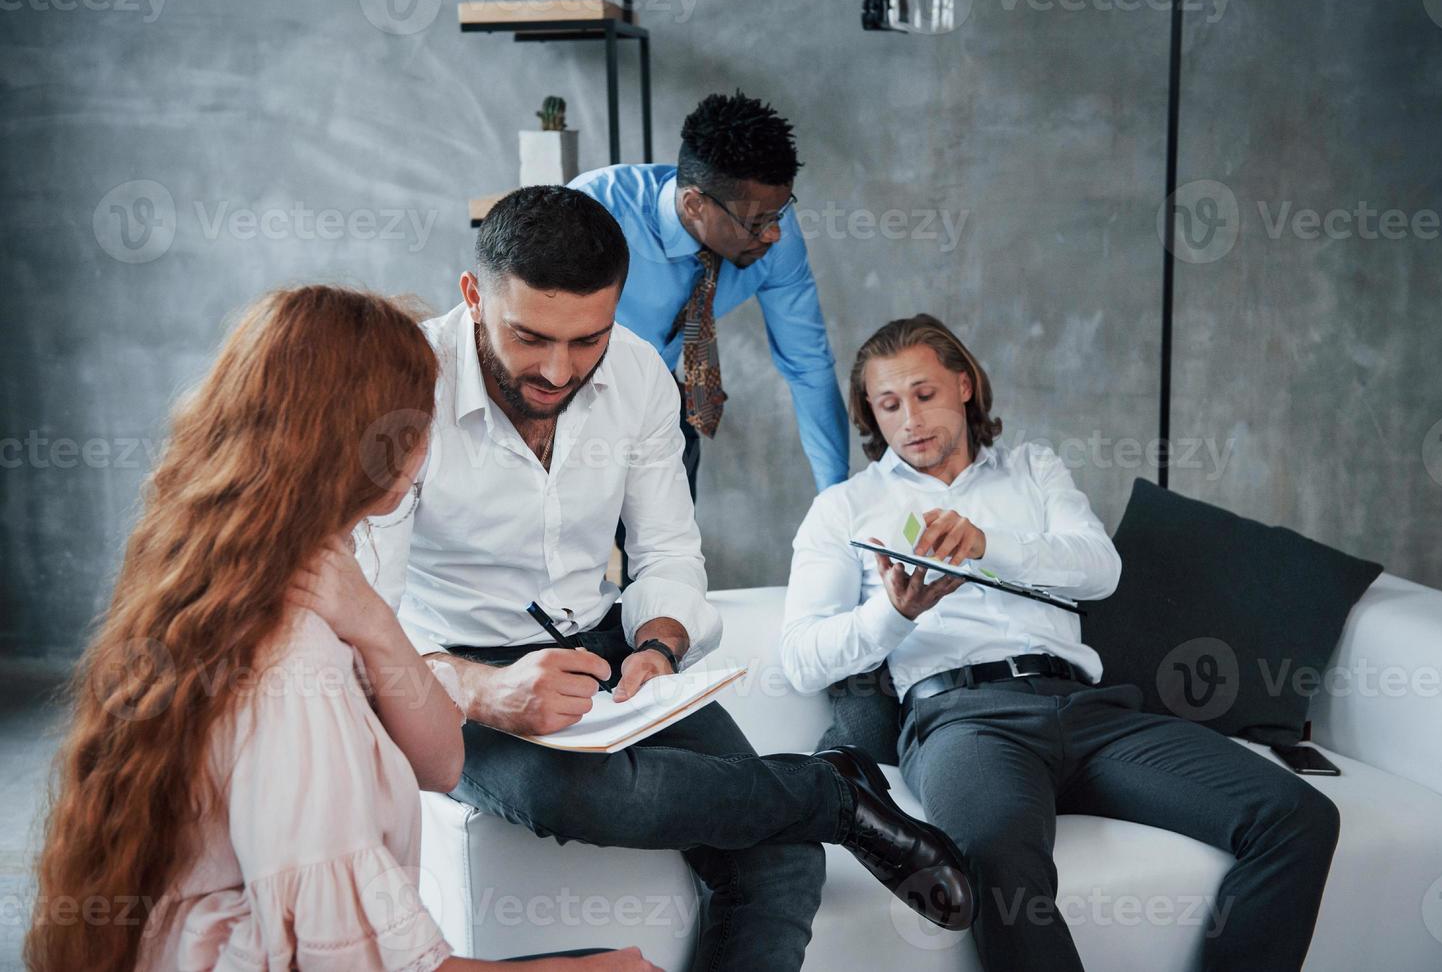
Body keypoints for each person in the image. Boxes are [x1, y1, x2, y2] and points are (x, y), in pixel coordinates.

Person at [362, 187, 974, 972]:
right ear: (473, 296)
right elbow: (366, 623)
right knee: (571, 794)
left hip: (604, 639)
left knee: (781, 858)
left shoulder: (641, 373)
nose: (558, 370)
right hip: (450, 668)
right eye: (530, 338)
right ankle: (831, 793)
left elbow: (666, 554)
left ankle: (817, 798)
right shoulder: (401, 388)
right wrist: (486, 692)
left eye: (587, 339)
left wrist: (657, 645)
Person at [25, 287, 659, 972]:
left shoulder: (248, 571)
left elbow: (439, 764)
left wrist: (376, 626)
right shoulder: (291, 666)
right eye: (422, 420)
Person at [780, 314, 1342, 972]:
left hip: (1091, 713)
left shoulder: (1031, 469)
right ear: (871, 417)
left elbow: (1098, 571)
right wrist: (894, 616)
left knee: (1297, 816)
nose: (909, 419)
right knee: (990, 853)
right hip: (963, 722)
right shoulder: (844, 508)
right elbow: (800, 658)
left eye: (924, 393)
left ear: (963, 385)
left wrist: (989, 543)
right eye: (888, 404)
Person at [570, 90, 848, 501]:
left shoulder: (776, 240)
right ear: (695, 205)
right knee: (570, 553)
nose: (773, 234)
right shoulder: (595, 209)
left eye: (779, 214)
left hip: (657, 394)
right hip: (570, 395)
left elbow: (808, 367)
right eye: (756, 222)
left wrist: (838, 503)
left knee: (667, 553)